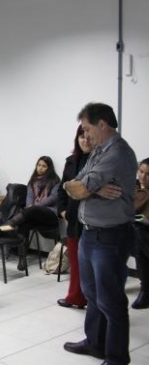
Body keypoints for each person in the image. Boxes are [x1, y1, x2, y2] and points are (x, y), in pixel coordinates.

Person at [62, 102, 137, 365]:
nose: (85, 134)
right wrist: (92, 188)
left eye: (87, 128)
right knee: (92, 293)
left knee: (111, 300)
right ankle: (95, 342)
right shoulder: (98, 151)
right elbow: (70, 185)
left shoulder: (116, 153)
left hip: (110, 237)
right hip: (89, 234)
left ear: (102, 124)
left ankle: (117, 357)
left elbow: (80, 189)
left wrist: (87, 188)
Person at [0, 156, 61, 270]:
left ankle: (7, 226)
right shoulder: (32, 182)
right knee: (24, 224)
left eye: (44, 166)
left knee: (32, 209)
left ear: (49, 168)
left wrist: (34, 206)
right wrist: (30, 207)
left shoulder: (55, 181)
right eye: (39, 165)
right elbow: (29, 198)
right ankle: (22, 260)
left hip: (50, 214)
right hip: (34, 214)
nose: (40, 168)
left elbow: (53, 198)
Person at [56, 125, 92, 309]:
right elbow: (62, 189)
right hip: (73, 219)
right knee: (76, 262)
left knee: (92, 265)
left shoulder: (99, 161)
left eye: (89, 137)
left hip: (92, 221)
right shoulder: (71, 161)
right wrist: (62, 211)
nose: (85, 140)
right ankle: (75, 297)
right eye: (81, 136)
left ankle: (92, 300)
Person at [131, 158, 149, 309]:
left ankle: (145, 290)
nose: (143, 176)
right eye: (141, 171)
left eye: (148, 174)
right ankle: (145, 289)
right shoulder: (133, 186)